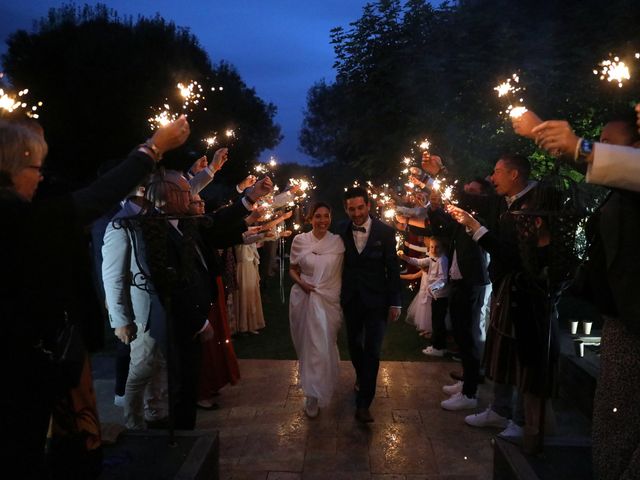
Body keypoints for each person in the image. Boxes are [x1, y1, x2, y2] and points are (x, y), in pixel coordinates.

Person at [0, 115, 189, 477]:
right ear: (11, 167)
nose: (40, 177)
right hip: (20, 364)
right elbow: (94, 199)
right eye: (35, 167)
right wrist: (153, 148)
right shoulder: (15, 217)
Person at [516, 111, 640, 479]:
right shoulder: (621, 188)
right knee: (613, 430)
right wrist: (550, 135)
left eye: (608, 144)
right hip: (623, 320)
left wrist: (579, 146)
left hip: (633, 322)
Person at [339, 186, 402, 423]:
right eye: (351, 209)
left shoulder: (385, 232)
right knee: (354, 345)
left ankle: (364, 404)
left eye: (360, 207)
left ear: (369, 205)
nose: (356, 213)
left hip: (377, 300)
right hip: (351, 299)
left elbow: (392, 268)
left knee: (373, 350)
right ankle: (361, 376)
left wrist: (395, 302)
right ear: (346, 209)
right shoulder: (340, 230)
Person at [288, 202, 345, 418]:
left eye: (326, 216)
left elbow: (342, 273)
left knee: (323, 346)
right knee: (309, 347)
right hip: (303, 298)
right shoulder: (300, 241)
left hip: (329, 300)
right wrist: (302, 284)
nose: (322, 220)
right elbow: (293, 269)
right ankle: (311, 394)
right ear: (310, 218)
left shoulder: (338, 242)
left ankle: (319, 388)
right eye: (318, 216)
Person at [399, 237, 450, 354]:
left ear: (442, 248)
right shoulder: (433, 258)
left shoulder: (442, 260)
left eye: (437, 247)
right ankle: (435, 344)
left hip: (440, 295)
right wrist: (405, 258)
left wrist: (432, 288)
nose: (434, 249)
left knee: (438, 321)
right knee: (435, 320)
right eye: (432, 247)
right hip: (434, 294)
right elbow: (419, 262)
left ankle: (439, 347)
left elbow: (443, 279)